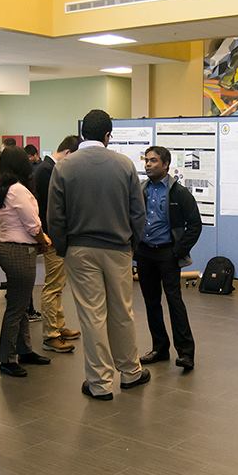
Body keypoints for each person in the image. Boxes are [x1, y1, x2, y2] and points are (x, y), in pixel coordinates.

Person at [47, 109, 149, 400]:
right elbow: (137, 213)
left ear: (82, 134)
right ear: (108, 135)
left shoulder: (64, 167)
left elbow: (55, 216)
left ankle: (100, 383)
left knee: (92, 315)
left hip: (80, 250)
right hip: (118, 249)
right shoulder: (124, 165)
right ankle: (130, 372)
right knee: (122, 312)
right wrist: (132, 246)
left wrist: (64, 248)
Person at [136, 146, 203, 373]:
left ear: (165, 165)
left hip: (168, 254)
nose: (148, 164)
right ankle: (159, 348)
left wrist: (178, 251)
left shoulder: (179, 193)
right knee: (151, 302)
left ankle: (185, 354)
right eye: (146, 160)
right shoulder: (141, 190)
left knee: (174, 302)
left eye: (153, 161)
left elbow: (195, 225)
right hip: (145, 253)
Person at [0, 146, 53, 378]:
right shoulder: (17, 190)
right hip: (19, 252)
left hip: (11, 250)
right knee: (17, 308)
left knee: (21, 303)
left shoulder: (5, 188)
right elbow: (33, 224)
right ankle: (7, 359)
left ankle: (24, 350)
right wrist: (44, 240)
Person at [33, 135, 82, 353]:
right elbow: (48, 210)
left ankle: (59, 326)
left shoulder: (48, 169)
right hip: (53, 238)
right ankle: (51, 334)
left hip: (57, 237)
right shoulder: (47, 171)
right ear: (69, 154)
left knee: (58, 285)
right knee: (53, 286)